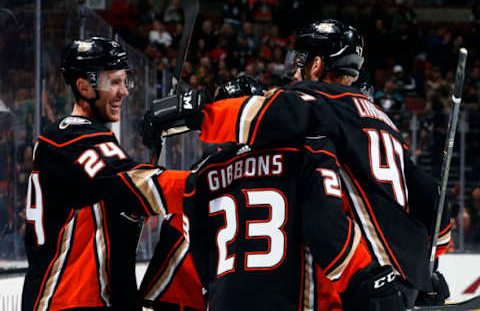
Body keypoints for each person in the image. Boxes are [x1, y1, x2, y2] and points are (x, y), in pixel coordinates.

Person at [169, 19, 451, 308]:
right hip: (405, 276)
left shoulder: (318, 101)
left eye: (300, 61)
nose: (294, 71)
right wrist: (429, 268)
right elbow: (430, 193)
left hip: (371, 275)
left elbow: (265, 113)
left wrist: (196, 113)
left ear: (317, 64)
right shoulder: (383, 120)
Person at [138, 135, 405, 311]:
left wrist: (153, 148)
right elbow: (333, 235)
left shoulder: (204, 174)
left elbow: (185, 234)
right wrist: (372, 280)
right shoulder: (302, 159)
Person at [21, 37, 188, 311]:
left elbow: (120, 203)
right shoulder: (68, 137)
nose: (124, 91)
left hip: (90, 299)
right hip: (66, 298)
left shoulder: (85, 142)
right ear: (84, 87)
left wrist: (152, 151)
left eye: (125, 81)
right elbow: (134, 185)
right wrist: (208, 182)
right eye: (114, 82)